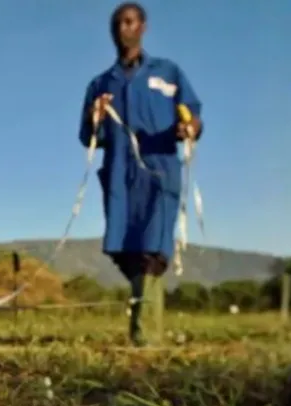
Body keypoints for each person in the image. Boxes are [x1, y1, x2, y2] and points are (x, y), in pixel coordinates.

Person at [78, 2, 203, 346]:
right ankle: (145, 328)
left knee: (154, 251)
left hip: (160, 171)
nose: (123, 28)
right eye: (117, 23)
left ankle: (146, 339)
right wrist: (95, 116)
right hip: (120, 177)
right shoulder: (101, 83)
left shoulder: (168, 72)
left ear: (143, 27)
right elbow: (87, 138)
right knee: (126, 251)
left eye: (130, 22)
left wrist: (190, 126)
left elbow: (193, 115)